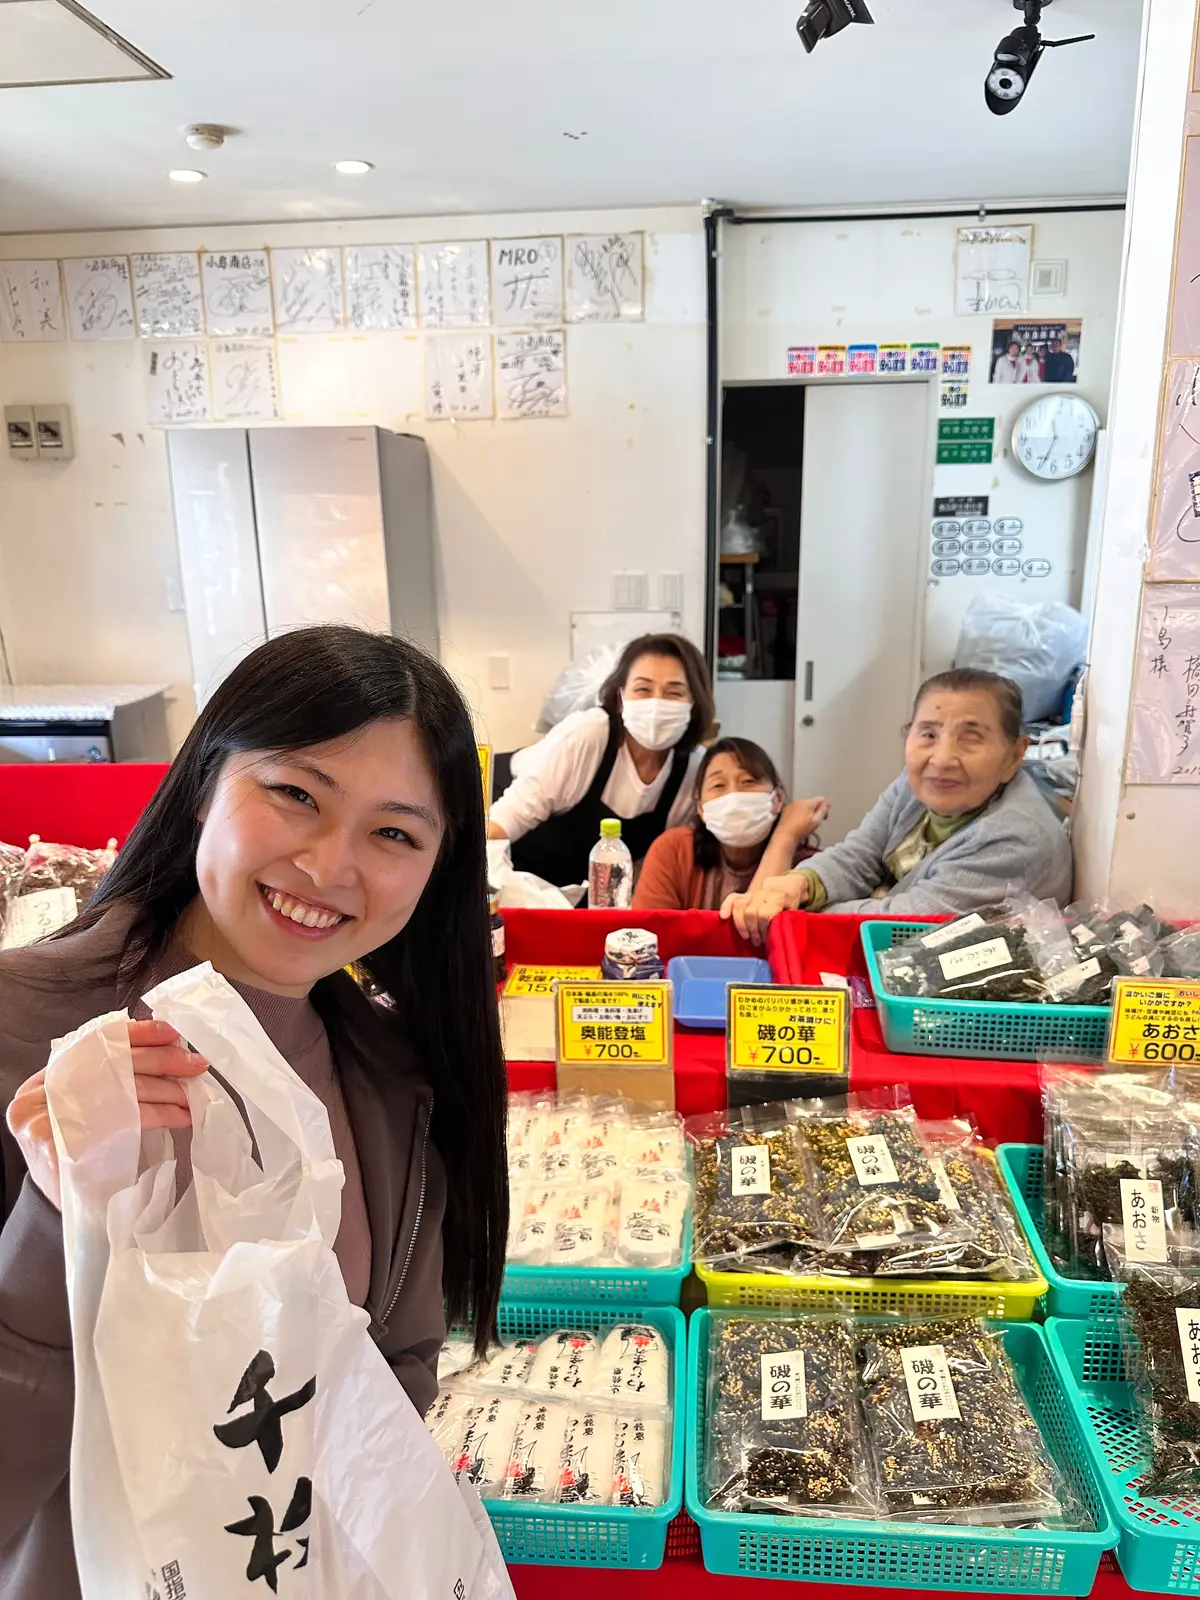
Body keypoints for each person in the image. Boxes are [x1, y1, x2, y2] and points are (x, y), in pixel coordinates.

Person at [0, 625, 508, 1600]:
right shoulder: (22, 1031)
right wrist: (62, 1217)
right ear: (204, 782)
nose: (328, 864)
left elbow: (392, 1370)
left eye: (394, 832)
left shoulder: (392, 1080)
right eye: (295, 794)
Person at [722, 668, 1072, 945]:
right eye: (929, 734)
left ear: (1014, 755)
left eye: (971, 736)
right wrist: (800, 884)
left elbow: (904, 923)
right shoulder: (915, 782)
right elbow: (860, 853)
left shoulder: (1015, 839)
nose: (942, 758)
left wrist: (794, 915)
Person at [487, 633, 715, 888]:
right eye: (643, 689)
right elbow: (503, 822)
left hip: (586, 884)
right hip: (518, 837)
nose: (656, 704)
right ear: (621, 698)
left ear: (694, 703)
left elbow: (656, 865)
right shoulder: (588, 734)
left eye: (674, 692)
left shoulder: (694, 769)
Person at [633, 737, 829, 910]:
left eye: (748, 781)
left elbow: (765, 934)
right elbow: (647, 934)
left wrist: (785, 838)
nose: (734, 795)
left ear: (777, 799)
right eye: (718, 785)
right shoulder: (673, 851)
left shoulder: (808, 867)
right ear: (701, 808)